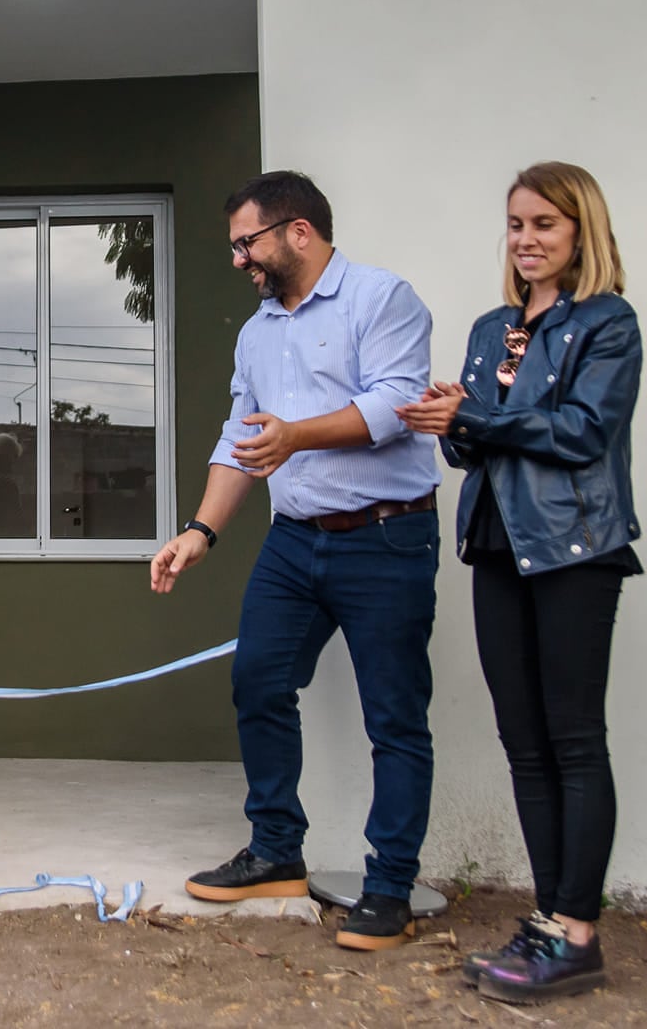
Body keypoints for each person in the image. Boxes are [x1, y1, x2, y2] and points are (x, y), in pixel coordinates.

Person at [148, 170, 440, 951]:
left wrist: (297, 435)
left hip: (387, 536)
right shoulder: (257, 331)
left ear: (298, 231)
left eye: (248, 242)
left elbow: (397, 405)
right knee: (259, 679)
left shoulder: (383, 299)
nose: (240, 259)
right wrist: (199, 531)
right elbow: (240, 439)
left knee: (395, 717)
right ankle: (276, 848)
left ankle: (389, 889)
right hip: (295, 539)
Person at [394, 162, 641, 1004]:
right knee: (523, 743)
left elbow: (581, 433)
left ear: (581, 231)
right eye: (515, 225)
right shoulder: (492, 325)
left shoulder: (608, 323)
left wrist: (474, 416)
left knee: (574, 739)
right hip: (497, 546)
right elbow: (470, 449)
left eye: (545, 224)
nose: (527, 239)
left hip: (576, 548)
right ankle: (548, 920)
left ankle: (578, 933)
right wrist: (449, 414)